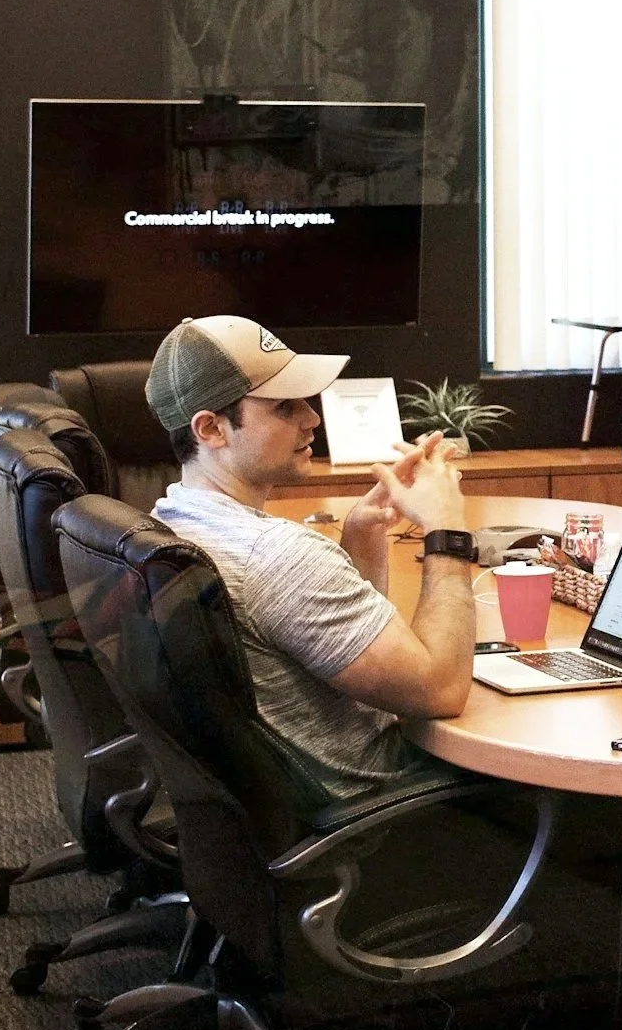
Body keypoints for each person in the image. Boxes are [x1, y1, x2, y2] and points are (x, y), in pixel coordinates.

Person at [144, 314, 482, 800]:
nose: (312, 418)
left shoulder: (168, 520)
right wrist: (446, 530)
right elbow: (441, 690)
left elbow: (333, 646)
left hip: (281, 809)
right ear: (212, 428)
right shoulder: (275, 557)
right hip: (389, 807)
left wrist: (361, 532)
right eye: (285, 406)